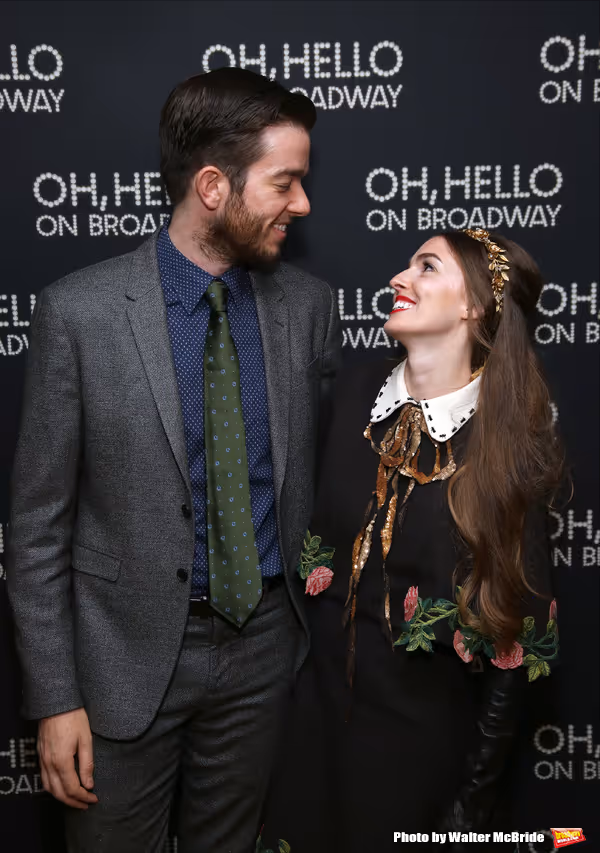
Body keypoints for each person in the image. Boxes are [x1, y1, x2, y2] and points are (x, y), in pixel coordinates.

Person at [7, 67, 341, 853]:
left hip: (265, 652)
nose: (304, 204)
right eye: (286, 182)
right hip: (119, 663)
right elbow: (37, 527)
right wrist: (56, 700)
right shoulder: (79, 313)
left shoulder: (309, 309)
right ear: (215, 186)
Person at [259, 229, 561, 853]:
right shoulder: (348, 396)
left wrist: (472, 805)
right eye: (408, 265)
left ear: (474, 303)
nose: (400, 279)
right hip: (313, 735)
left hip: (422, 756)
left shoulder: (507, 442)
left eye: (427, 267)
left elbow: (520, 649)